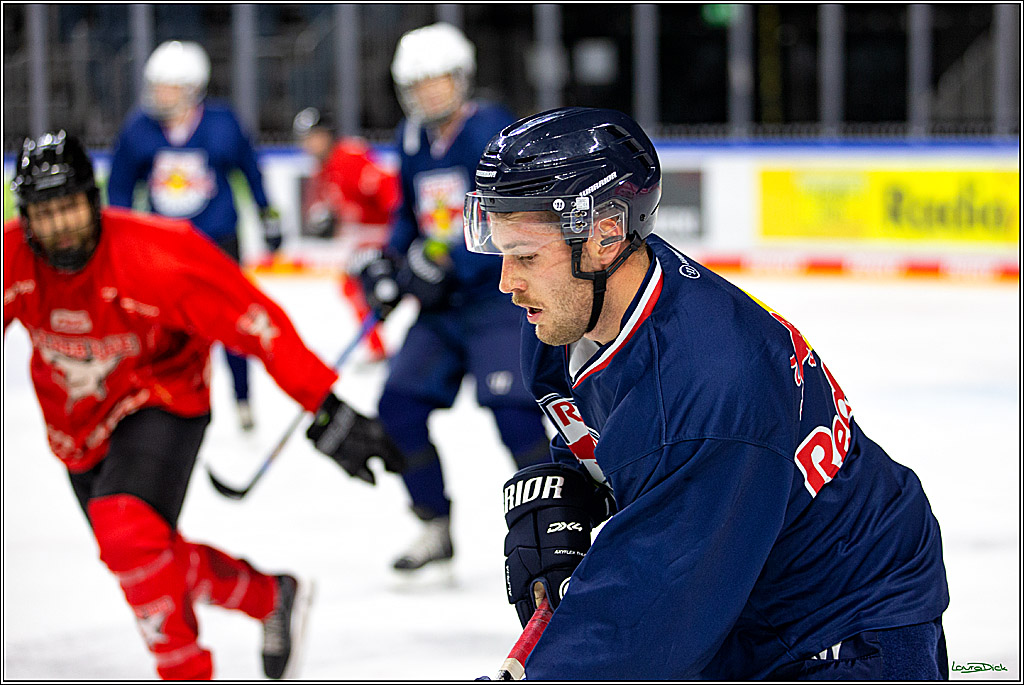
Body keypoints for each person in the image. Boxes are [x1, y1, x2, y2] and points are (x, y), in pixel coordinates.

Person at [464, 107, 950, 680]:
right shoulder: (565, 319)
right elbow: (617, 448)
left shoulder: (707, 383)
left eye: (525, 256)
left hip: (839, 629)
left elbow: (640, 633)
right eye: (502, 253)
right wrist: (568, 493)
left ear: (605, 233)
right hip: (740, 597)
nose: (506, 283)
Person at [4, 131, 405, 680]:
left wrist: (325, 406)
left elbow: (258, 324)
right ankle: (268, 596)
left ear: (94, 201)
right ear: (25, 218)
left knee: (128, 538)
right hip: (73, 427)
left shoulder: (156, 254)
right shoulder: (13, 259)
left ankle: (186, 672)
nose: (60, 227)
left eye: (70, 206)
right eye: (44, 214)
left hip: (162, 396)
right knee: (142, 556)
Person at [355, 22, 550, 573]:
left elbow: (511, 217)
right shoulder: (412, 137)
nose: (427, 95)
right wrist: (390, 262)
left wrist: (447, 262)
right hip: (443, 310)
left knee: (515, 412)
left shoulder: (493, 130)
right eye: (416, 85)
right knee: (398, 406)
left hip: (496, 299)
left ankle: (559, 528)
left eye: (437, 82)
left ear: (461, 79)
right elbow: (409, 214)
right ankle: (432, 523)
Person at [107, 40, 282, 432]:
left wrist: (268, 215)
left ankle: (242, 398)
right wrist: (120, 235)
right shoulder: (139, 128)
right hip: (163, 244)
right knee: (164, 327)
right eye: (156, 86)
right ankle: (168, 399)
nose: (159, 95)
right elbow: (119, 188)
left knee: (233, 321)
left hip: (217, 240)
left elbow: (251, 172)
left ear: (192, 88)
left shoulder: (222, 123)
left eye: (168, 87)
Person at [292, 106, 399, 363]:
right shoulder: (325, 167)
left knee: (375, 288)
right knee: (354, 288)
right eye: (304, 139)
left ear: (327, 135)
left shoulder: (349, 157)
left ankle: (386, 346)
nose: (308, 144)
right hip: (366, 238)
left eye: (313, 136)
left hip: (384, 235)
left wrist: (397, 234)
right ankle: (377, 345)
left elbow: (389, 192)